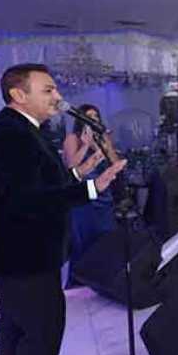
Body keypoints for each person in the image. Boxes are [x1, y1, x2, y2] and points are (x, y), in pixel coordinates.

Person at [0, 64, 126, 355]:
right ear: (18, 95)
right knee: (41, 335)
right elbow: (29, 201)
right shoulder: (10, 136)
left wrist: (80, 175)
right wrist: (91, 189)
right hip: (23, 257)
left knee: (15, 334)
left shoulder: (22, 130)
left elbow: (39, 185)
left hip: (17, 255)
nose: (57, 97)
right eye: (48, 90)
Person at [60, 104, 118, 289]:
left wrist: (103, 147)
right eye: (89, 116)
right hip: (82, 196)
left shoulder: (103, 137)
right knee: (83, 240)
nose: (93, 119)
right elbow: (72, 167)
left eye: (96, 116)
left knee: (106, 237)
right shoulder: (72, 138)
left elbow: (115, 164)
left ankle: (104, 279)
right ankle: (81, 281)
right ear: (81, 120)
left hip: (103, 195)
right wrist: (86, 145)